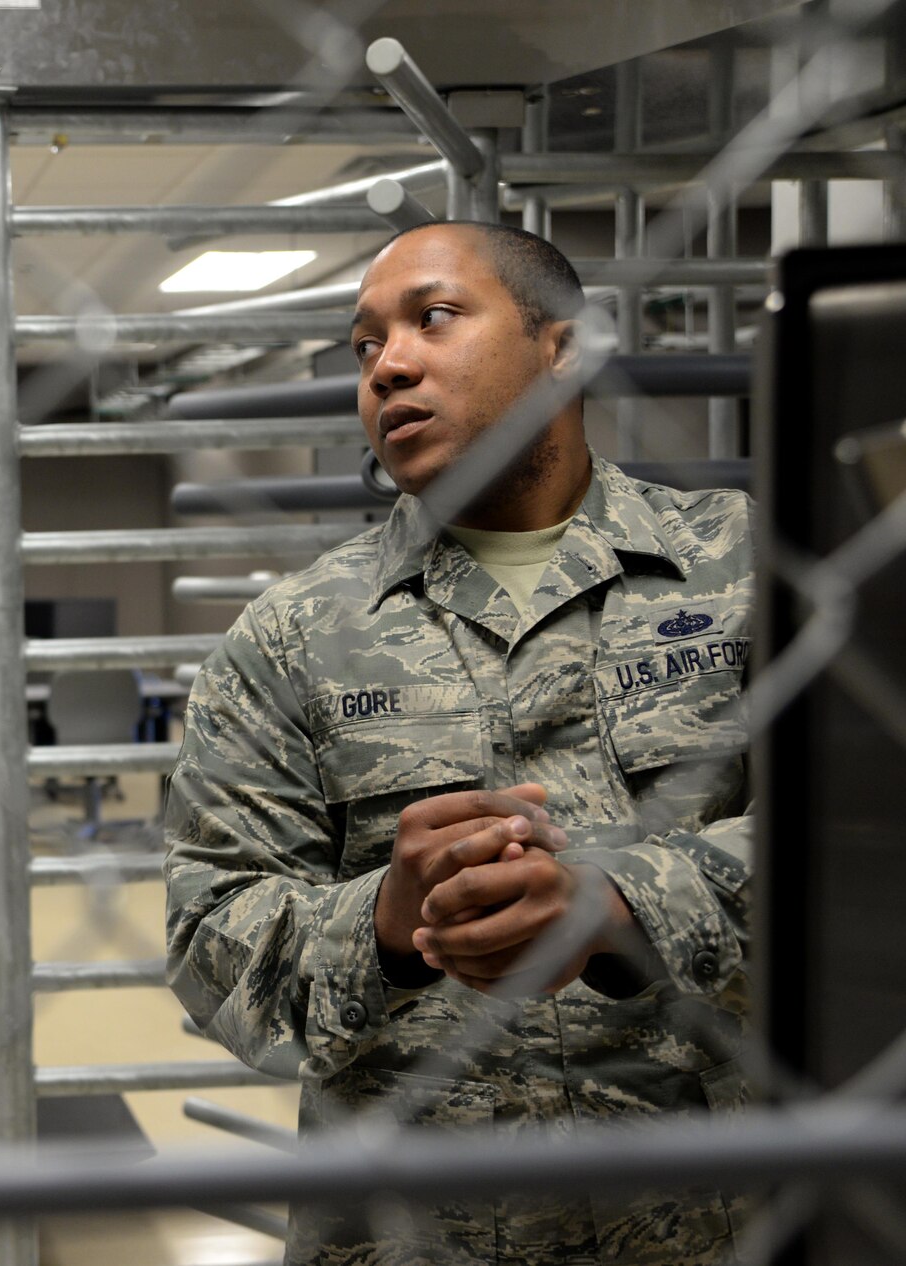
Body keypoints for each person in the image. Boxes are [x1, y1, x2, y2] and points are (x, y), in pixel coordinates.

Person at [165, 221, 753, 1266]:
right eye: (362, 346)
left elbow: (869, 841)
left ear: (559, 348)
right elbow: (208, 938)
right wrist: (385, 925)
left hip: (728, 1220)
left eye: (431, 318)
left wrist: (625, 906)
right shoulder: (291, 638)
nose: (387, 364)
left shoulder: (749, 571)